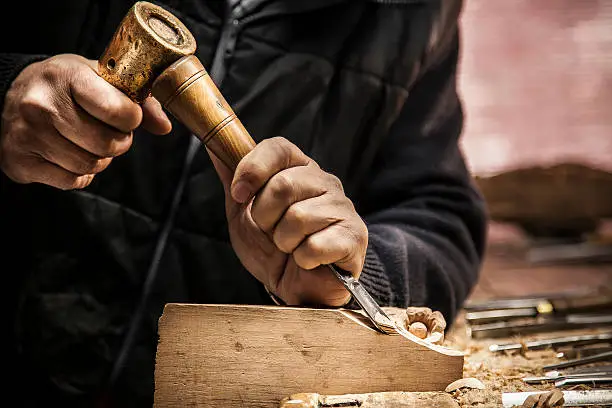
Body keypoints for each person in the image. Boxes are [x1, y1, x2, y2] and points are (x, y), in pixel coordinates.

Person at [0, 0, 487, 406]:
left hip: (227, 391)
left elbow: (436, 211)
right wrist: (4, 93)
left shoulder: (418, 12)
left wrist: (348, 272)